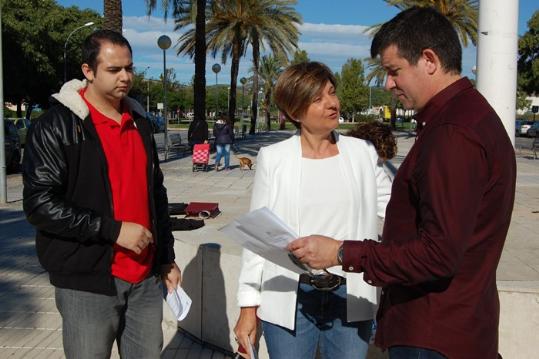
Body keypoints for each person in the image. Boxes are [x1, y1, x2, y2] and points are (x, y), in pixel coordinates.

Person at [288, 7, 516, 359]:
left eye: (394, 72)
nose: (388, 84)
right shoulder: (467, 118)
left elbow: (438, 254)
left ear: (428, 60)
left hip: (433, 333)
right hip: (453, 327)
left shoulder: (453, 135)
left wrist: (342, 252)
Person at [22, 30, 182, 359]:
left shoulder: (139, 123)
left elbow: (156, 194)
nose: (125, 77)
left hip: (145, 277)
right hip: (87, 280)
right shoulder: (57, 125)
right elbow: (39, 204)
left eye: (129, 68)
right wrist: (113, 229)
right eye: (113, 70)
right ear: (88, 71)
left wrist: (166, 257)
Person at [233, 62, 392, 359]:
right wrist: (248, 305)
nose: (331, 103)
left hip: (350, 294)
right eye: (317, 99)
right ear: (295, 112)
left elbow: (396, 212)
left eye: (331, 93)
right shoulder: (274, 158)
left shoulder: (362, 153)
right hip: (289, 297)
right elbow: (258, 238)